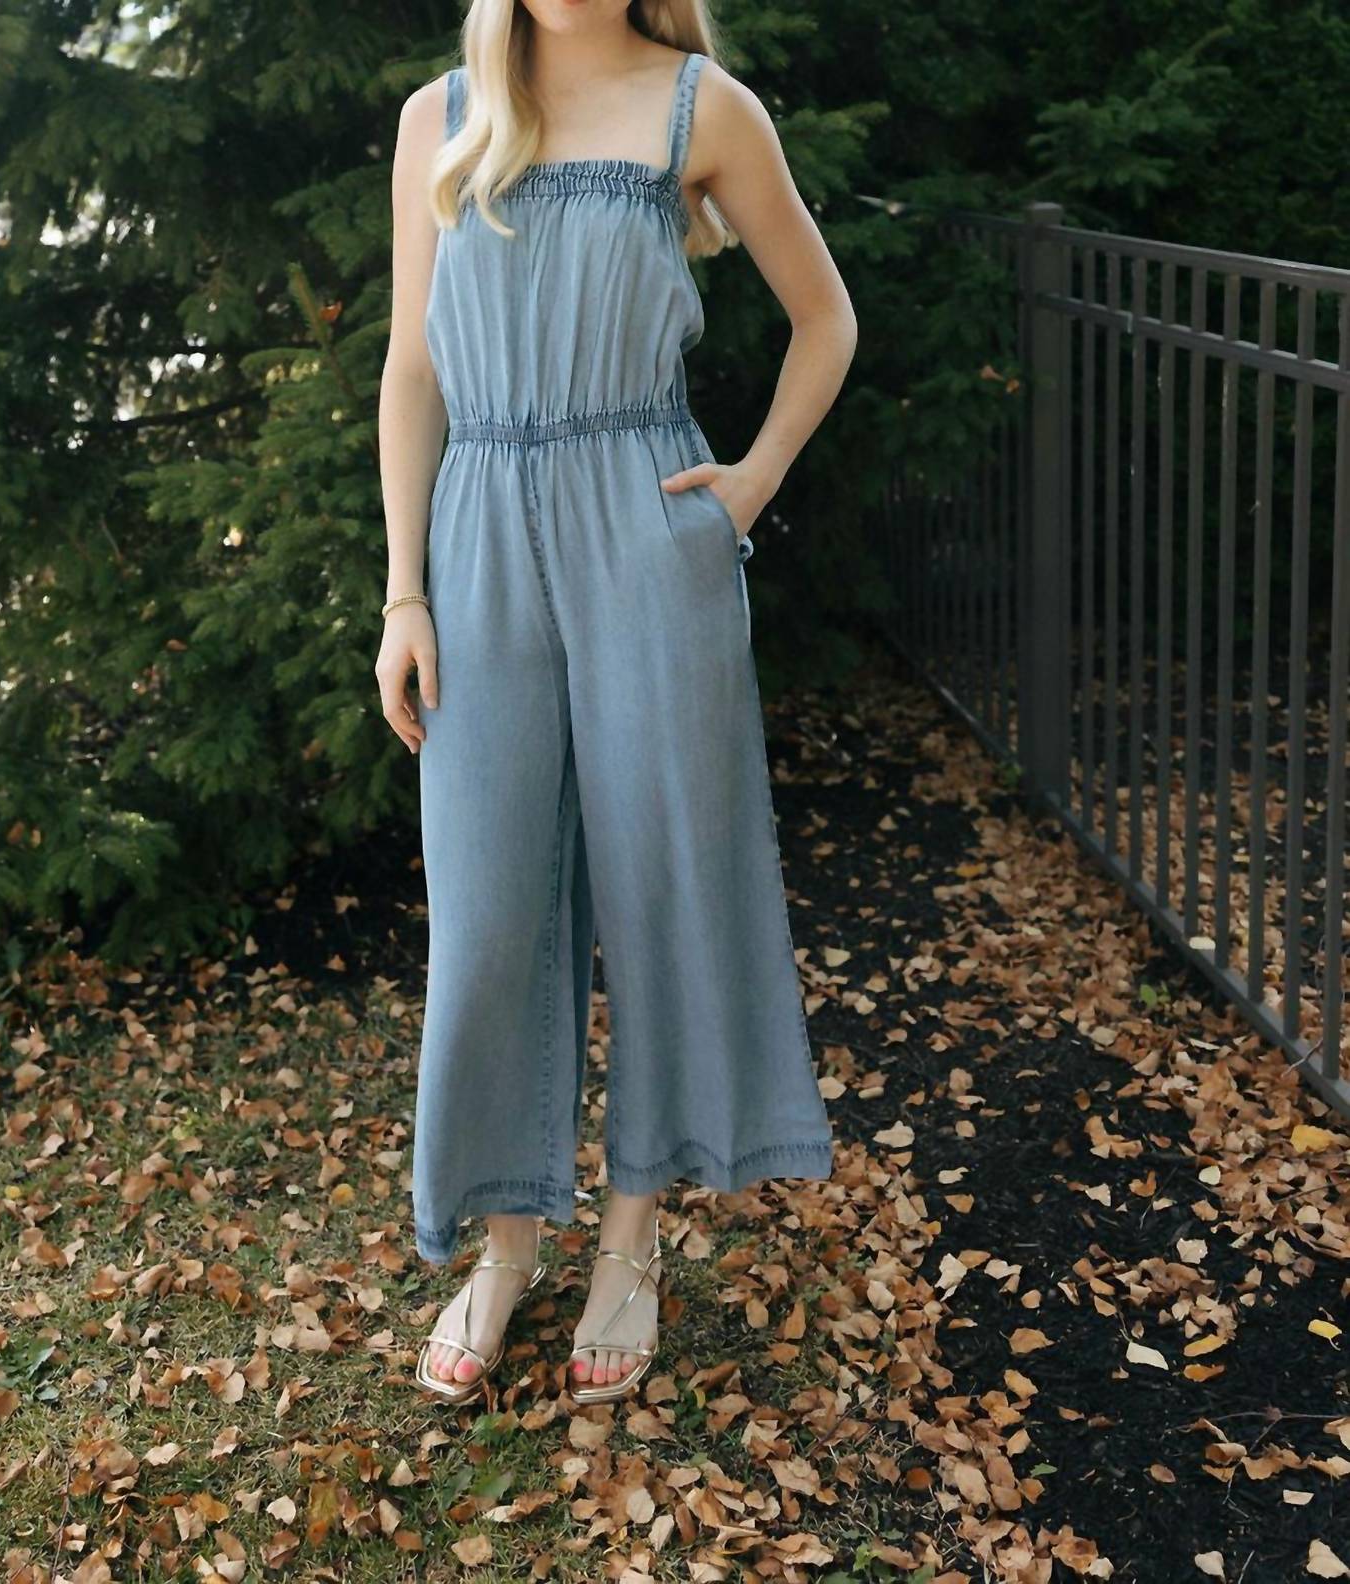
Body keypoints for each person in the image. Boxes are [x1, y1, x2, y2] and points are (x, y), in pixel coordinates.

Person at [376, 0, 858, 1406]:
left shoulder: (704, 107)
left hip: (643, 533)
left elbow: (826, 319)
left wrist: (749, 487)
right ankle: (505, 1249)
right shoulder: (438, 117)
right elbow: (412, 369)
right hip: (476, 540)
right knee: (487, 911)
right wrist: (404, 595)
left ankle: (632, 1244)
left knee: (660, 890)